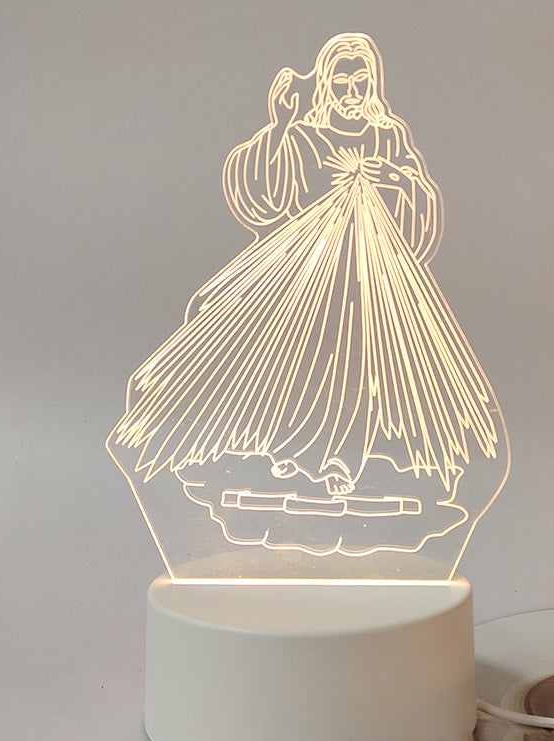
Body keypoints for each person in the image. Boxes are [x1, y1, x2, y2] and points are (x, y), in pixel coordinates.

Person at [111, 33, 501, 503]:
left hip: (371, 276)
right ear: (325, 86)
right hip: (303, 270)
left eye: (361, 80)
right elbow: (265, 199)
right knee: (255, 331)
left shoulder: (388, 136)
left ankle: (339, 459)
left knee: (360, 354)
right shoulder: (304, 136)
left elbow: (420, 206)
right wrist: (279, 124)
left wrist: (395, 178)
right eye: (341, 82)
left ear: (373, 82)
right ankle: (285, 443)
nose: (352, 92)